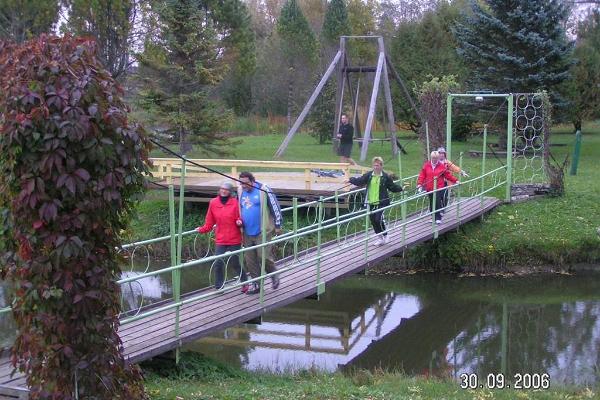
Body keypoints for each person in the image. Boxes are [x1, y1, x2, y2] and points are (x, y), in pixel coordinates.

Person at [197, 181, 249, 292]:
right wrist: (201, 230)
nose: (224, 191)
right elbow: (209, 222)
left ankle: (244, 282)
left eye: (226, 189)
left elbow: (239, 218)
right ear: (219, 190)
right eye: (222, 189)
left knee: (235, 263)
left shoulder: (235, 203)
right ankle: (219, 286)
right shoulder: (213, 203)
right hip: (221, 239)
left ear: (230, 192)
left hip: (234, 238)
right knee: (218, 262)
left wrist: (239, 221)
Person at [237, 171, 283, 294]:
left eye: (246, 183)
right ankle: (256, 285)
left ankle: (273, 275)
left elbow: (275, 206)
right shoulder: (240, 190)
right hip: (246, 231)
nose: (244, 185)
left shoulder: (263, 189)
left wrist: (278, 225)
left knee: (263, 256)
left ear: (252, 181)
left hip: (263, 230)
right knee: (250, 259)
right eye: (241, 183)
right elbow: (238, 208)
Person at [348, 157, 404, 246]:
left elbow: (392, 187)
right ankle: (380, 238)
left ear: (381, 166)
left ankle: (386, 235)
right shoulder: (369, 175)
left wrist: (401, 188)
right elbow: (360, 181)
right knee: (373, 221)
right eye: (374, 165)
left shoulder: (385, 177)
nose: (375, 167)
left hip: (381, 202)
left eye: (377, 165)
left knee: (378, 219)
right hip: (371, 202)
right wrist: (350, 179)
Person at [417, 151, 458, 225]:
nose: (435, 160)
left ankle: (438, 218)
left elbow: (448, 175)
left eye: (436, 158)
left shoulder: (441, 166)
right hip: (430, 188)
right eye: (433, 158)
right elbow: (422, 175)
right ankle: (433, 218)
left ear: (438, 158)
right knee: (432, 203)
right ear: (431, 158)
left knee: (437, 203)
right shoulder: (426, 165)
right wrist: (419, 184)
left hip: (439, 188)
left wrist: (455, 180)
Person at [437, 147, 469, 213]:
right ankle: (438, 209)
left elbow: (454, 168)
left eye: (442, 153)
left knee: (444, 196)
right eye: (440, 153)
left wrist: (462, 172)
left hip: (445, 182)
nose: (441, 155)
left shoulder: (447, 162)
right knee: (437, 196)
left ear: (444, 154)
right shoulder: (435, 162)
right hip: (436, 182)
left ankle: (443, 209)